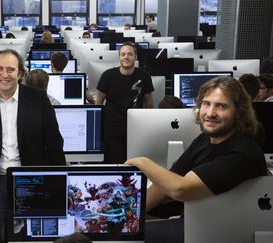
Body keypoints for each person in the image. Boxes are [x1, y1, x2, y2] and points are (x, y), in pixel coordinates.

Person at [124, 76, 267, 216]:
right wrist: (130, 213)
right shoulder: (206, 139)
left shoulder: (242, 154)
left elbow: (180, 188)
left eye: (221, 106)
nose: (210, 113)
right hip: (199, 219)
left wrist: (142, 162)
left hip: (221, 231)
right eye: (206, 104)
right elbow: (167, 184)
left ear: (239, 112)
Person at [0, 49, 66, 242]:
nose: (4, 75)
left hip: (32, 179)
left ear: (20, 73)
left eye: (10, 69)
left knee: (35, 237)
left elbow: (54, 142)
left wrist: (59, 181)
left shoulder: (38, 99)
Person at [95, 42, 154, 163]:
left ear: (135, 57)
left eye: (130, 54)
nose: (126, 57)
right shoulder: (108, 76)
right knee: (116, 163)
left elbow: (149, 103)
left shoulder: (144, 76)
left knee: (134, 163)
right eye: (123, 54)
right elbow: (99, 103)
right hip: (112, 128)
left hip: (135, 127)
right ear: (119, 57)